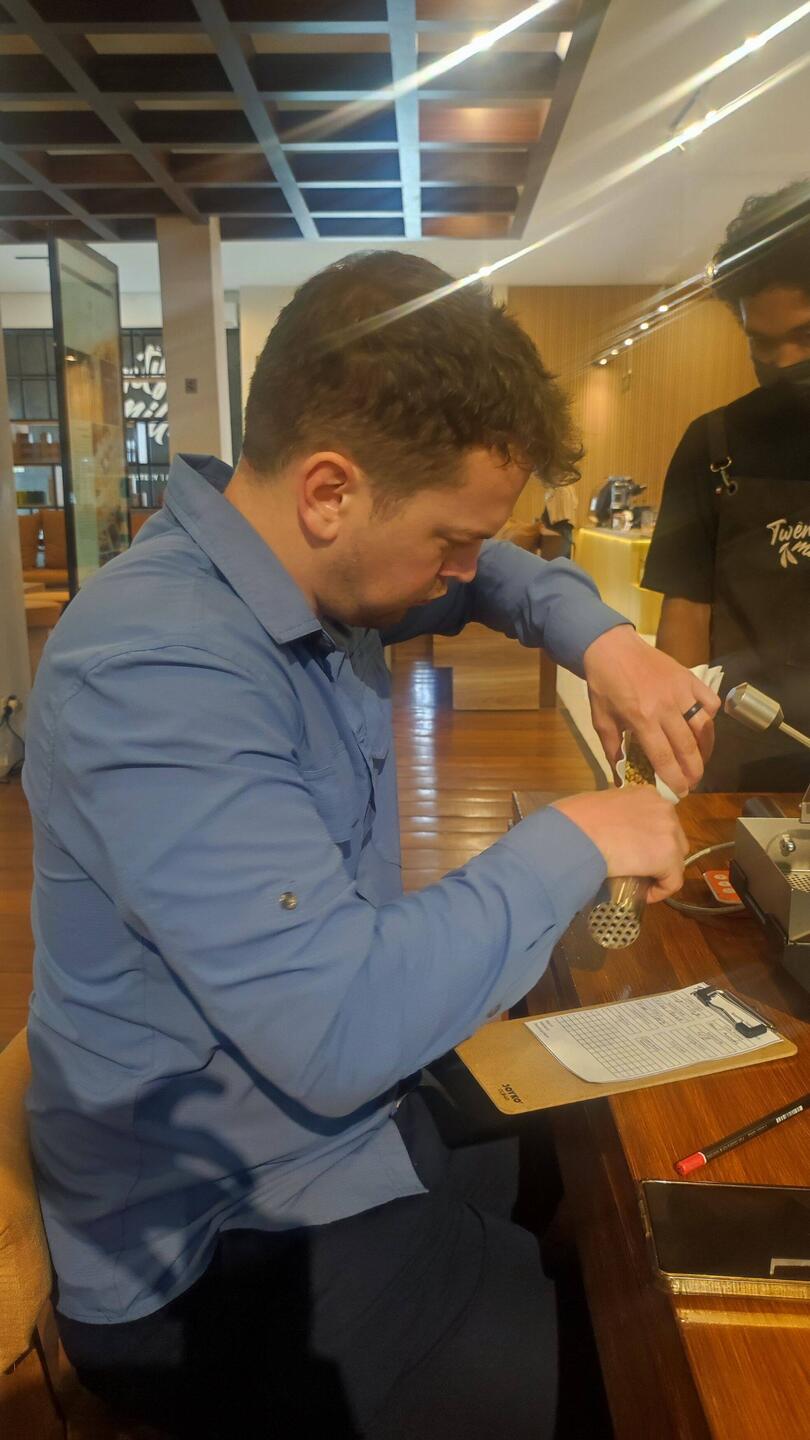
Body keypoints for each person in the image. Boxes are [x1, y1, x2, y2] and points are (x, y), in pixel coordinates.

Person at [23, 252, 717, 1440]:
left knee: (612, 1178)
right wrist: (573, 838)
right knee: (631, 1368)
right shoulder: (157, 671)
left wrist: (605, 642)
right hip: (210, 1246)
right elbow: (337, 1030)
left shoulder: (318, 568)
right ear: (331, 491)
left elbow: (500, 572)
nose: (463, 570)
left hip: (333, 1132)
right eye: (449, 537)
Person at [643, 182, 810, 790]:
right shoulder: (713, 444)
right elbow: (685, 613)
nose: (785, 361)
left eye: (806, 337)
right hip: (741, 760)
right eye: (761, 343)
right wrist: (674, 758)